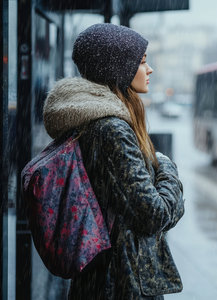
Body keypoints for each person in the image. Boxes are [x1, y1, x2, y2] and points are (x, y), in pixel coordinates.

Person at [42, 23, 185, 299]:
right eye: (142, 62)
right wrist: (167, 168)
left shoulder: (94, 121)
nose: (150, 69)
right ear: (118, 70)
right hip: (121, 283)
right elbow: (153, 215)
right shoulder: (112, 130)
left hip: (103, 280)